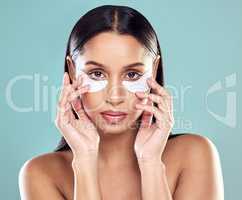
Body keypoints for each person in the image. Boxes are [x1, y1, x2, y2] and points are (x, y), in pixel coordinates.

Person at [18, 5, 224, 200]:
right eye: (97, 74)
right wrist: (85, 160)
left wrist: (151, 163)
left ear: (153, 70)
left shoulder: (193, 154)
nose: (115, 97)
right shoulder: (40, 174)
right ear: (72, 71)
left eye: (132, 74)